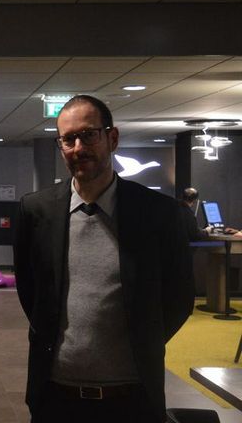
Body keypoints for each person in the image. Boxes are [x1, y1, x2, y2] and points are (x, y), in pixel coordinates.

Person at [13, 95, 194, 423]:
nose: (78, 147)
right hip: (55, 397)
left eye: (88, 135)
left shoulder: (159, 213)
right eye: (68, 139)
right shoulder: (36, 210)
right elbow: (32, 293)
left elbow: (179, 298)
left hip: (133, 398)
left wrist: (142, 340)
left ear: (112, 138)